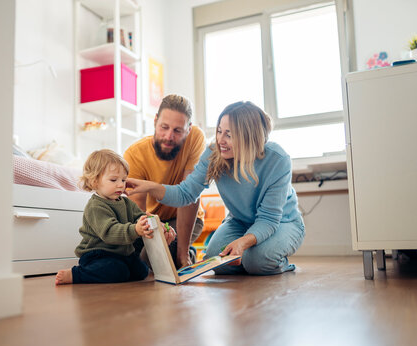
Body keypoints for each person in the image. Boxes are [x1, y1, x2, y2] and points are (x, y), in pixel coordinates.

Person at [126, 101, 305, 276]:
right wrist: (149, 187)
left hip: (283, 222)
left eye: (229, 134)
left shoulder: (278, 159)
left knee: (257, 262)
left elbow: (268, 219)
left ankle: (272, 263)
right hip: (240, 222)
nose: (220, 140)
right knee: (216, 261)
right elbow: (185, 193)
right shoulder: (214, 153)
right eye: (219, 131)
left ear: (248, 135)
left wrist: (244, 243)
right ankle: (251, 262)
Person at [55, 149, 176, 285]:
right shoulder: (95, 206)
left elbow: (140, 217)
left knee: (141, 271)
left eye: (123, 180)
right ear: (95, 182)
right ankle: (77, 274)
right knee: (116, 270)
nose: (121, 184)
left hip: (122, 252)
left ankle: (120, 269)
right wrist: (135, 229)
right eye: (113, 180)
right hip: (98, 254)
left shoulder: (126, 202)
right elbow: (110, 231)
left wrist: (157, 226)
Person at [124, 94, 206, 269]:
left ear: (188, 129)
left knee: (169, 259)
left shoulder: (196, 138)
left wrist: (182, 255)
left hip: (188, 218)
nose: (169, 136)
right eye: (164, 127)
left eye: (177, 131)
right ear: (155, 121)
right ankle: (184, 252)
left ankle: (186, 252)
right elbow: (138, 211)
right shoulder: (135, 154)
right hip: (154, 219)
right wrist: (155, 227)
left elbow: (190, 194)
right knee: (147, 261)